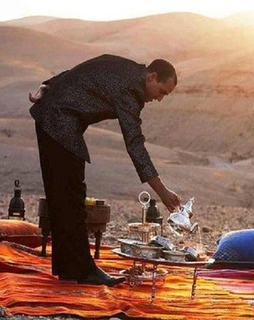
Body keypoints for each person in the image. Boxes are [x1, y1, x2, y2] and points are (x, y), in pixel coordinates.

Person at [29, 54, 182, 286]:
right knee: (71, 195)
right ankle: (83, 271)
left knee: (62, 196)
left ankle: (69, 268)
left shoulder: (123, 66)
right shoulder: (131, 91)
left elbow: (86, 67)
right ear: (152, 76)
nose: (159, 99)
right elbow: (134, 144)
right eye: (162, 92)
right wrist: (162, 191)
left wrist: (48, 84)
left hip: (50, 115)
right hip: (60, 121)